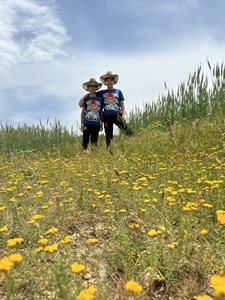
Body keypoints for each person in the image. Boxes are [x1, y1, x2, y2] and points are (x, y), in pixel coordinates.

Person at [79, 71, 133, 148]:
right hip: (107, 116)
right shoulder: (101, 93)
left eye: (111, 80)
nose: (109, 82)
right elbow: (91, 94)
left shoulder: (118, 92)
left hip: (117, 114)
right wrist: (86, 95)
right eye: (107, 80)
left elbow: (122, 104)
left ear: (114, 82)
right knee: (108, 135)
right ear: (105, 82)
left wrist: (124, 114)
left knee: (127, 130)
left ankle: (133, 143)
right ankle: (109, 151)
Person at [80, 78, 103, 151]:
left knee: (94, 141)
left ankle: (93, 157)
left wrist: (101, 124)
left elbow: (101, 112)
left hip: (96, 123)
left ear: (96, 88)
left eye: (94, 86)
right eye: (90, 86)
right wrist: (82, 124)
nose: (92, 88)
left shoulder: (99, 99)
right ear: (88, 88)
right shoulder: (86, 99)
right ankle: (84, 156)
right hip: (87, 122)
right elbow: (82, 111)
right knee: (85, 140)